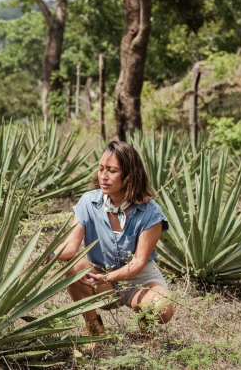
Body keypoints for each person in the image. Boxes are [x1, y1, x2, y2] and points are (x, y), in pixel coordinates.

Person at [49, 140, 174, 346]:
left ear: (129, 175)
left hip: (139, 280)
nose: (103, 176)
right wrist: (51, 255)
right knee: (75, 267)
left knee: (161, 309)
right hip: (103, 282)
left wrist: (107, 276)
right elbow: (71, 247)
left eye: (112, 171)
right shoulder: (89, 202)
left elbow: (138, 262)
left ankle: (148, 329)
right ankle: (94, 328)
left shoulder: (150, 212)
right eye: (101, 169)